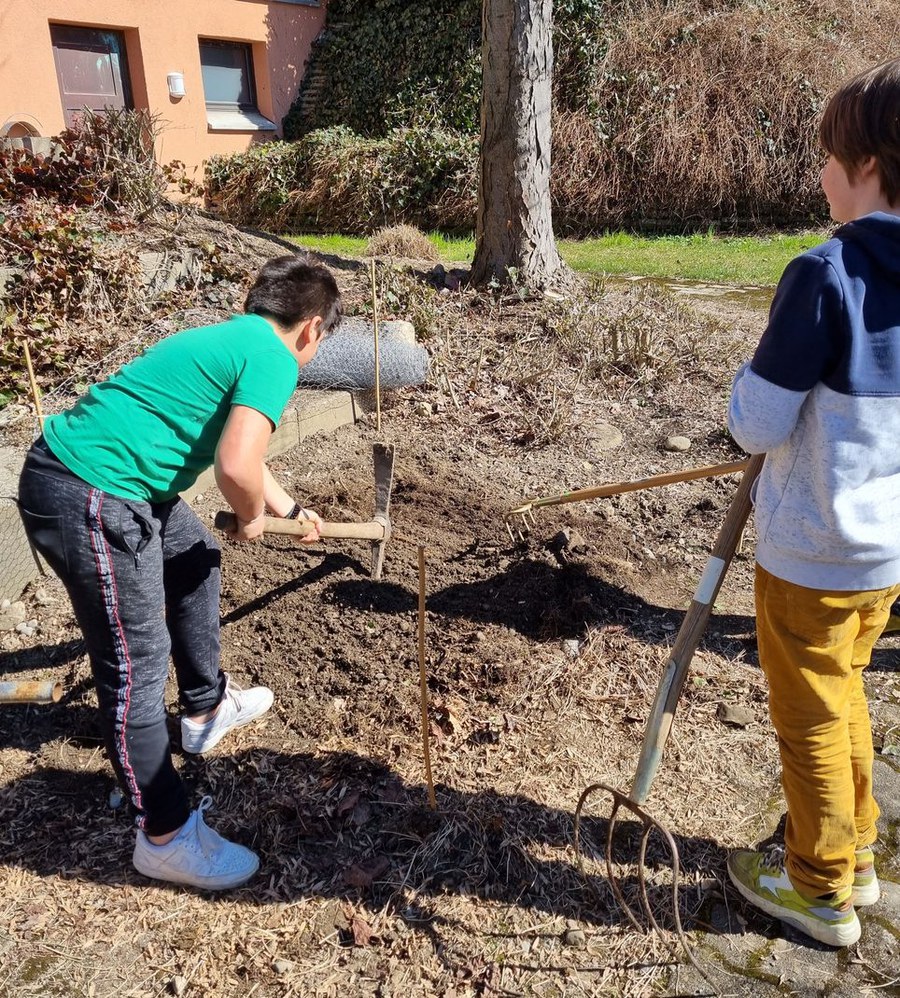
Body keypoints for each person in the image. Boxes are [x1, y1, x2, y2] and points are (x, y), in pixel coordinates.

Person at [18, 254, 341, 890]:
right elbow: (236, 469)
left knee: (195, 554)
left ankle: (204, 709)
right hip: (92, 492)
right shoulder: (275, 358)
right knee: (136, 663)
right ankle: (163, 836)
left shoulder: (237, 340)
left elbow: (243, 455)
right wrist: (250, 514)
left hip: (106, 484)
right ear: (312, 330)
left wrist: (291, 510)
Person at [726, 58, 900, 947]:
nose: (821, 172)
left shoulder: (826, 274)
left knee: (811, 721)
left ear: (867, 164)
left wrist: (737, 390)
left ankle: (819, 889)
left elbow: (757, 424)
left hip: (813, 552)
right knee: (846, 696)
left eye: (828, 155)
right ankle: (857, 854)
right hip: (885, 556)